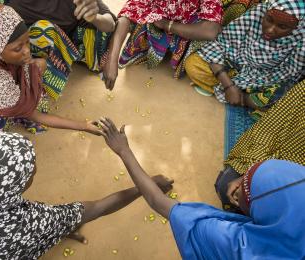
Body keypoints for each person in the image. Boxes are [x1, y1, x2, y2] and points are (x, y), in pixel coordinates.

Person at [99, 118, 305, 259]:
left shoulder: (226, 240)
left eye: (243, 188)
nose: (238, 185)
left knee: (224, 181)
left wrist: (123, 150)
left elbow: (158, 202)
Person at [0, 131, 173, 259]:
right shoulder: (29, 224)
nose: (34, 168)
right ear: (16, 186)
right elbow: (97, 208)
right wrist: (147, 186)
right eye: (31, 168)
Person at [0, 4, 102, 151]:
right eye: (18, 48)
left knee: (39, 67)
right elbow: (37, 116)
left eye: (27, 41)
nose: (27, 52)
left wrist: (33, 66)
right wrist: (83, 126)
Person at [186, 0, 305, 112]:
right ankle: (233, 94)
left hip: (267, 79)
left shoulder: (301, 38)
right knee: (194, 64)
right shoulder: (257, 14)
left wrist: (245, 96)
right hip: (236, 62)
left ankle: (241, 98)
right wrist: (228, 86)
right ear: (265, 13)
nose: (270, 30)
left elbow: (289, 75)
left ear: (297, 27)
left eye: (282, 27)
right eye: (269, 20)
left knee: (285, 101)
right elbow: (220, 44)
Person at [215, 78, 305, 212]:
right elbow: (271, 129)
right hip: (282, 161)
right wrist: (251, 174)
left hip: (296, 182)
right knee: (226, 187)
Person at [102, 0, 223, 90]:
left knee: (205, 44)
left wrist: (167, 25)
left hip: (188, 29)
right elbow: (129, 11)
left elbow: (210, 30)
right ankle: (156, 48)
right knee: (138, 15)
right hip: (158, 22)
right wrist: (112, 59)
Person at [8, 0, 117, 99]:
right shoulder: (15, 8)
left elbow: (112, 23)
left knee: (102, 28)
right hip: (49, 48)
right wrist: (27, 63)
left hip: (77, 41)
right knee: (42, 30)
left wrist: (95, 18)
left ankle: (87, 60)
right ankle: (48, 82)